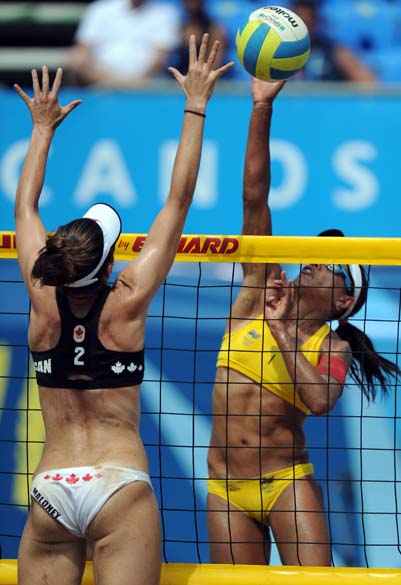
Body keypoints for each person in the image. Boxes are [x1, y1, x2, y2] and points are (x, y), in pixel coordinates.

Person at [14, 35, 233, 585]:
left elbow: (25, 205)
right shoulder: (128, 301)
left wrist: (41, 130)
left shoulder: (41, 296)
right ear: (110, 266)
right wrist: (196, 104)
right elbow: (177, 200)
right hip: (118, 483)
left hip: (52, 485)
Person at [206, 77, 399, 566]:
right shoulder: (258, 289)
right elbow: (254, 195)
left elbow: (318, 401)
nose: (313, 259)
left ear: (342, 301)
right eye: (316, 252)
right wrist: (261, 106)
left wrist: (279, 332)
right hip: (225, 488)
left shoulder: (334, 347)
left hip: (286, 482)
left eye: (329, 263)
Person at [68, 0, 181, 88]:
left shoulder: (165, 13)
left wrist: (126, 84)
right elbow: (82, 53)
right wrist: (110, 80)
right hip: (99, 86)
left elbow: (159, 61)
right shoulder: (99, 9)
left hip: (146, 89)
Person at [291, 0, 378, 82]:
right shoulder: (279, 51)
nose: (304, 23)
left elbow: (369, 84)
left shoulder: (335, 51)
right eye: (298, 18)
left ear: (317, 20)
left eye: (309, 17)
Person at [170, 0, 228, 75]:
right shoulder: (179, 27)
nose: (191, 4)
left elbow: (215, 64)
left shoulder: (215, 29)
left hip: (203, 80)